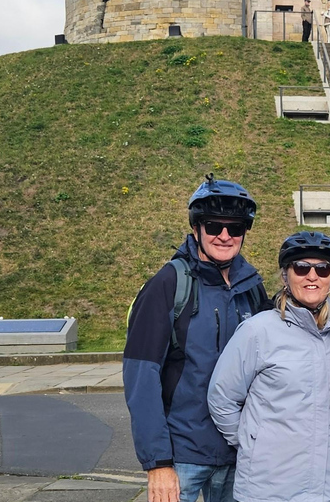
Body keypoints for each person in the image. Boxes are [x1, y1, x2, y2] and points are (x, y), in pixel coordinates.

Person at [124, 174, 269, 502]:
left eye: (235, 228)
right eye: (213, 226)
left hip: (240, 455)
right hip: (182, 457)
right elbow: (140, 378)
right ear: (195, 228)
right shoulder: (168, 285)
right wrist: (157, 463)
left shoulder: (251, 288)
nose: (224, 235)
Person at [208, 231, 330, 501]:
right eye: (301, 267)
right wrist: (254, 443)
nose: (312, 276)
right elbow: (222, 397)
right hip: (267, 490)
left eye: (322, 269)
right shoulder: (257, 331)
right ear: (286, 276)